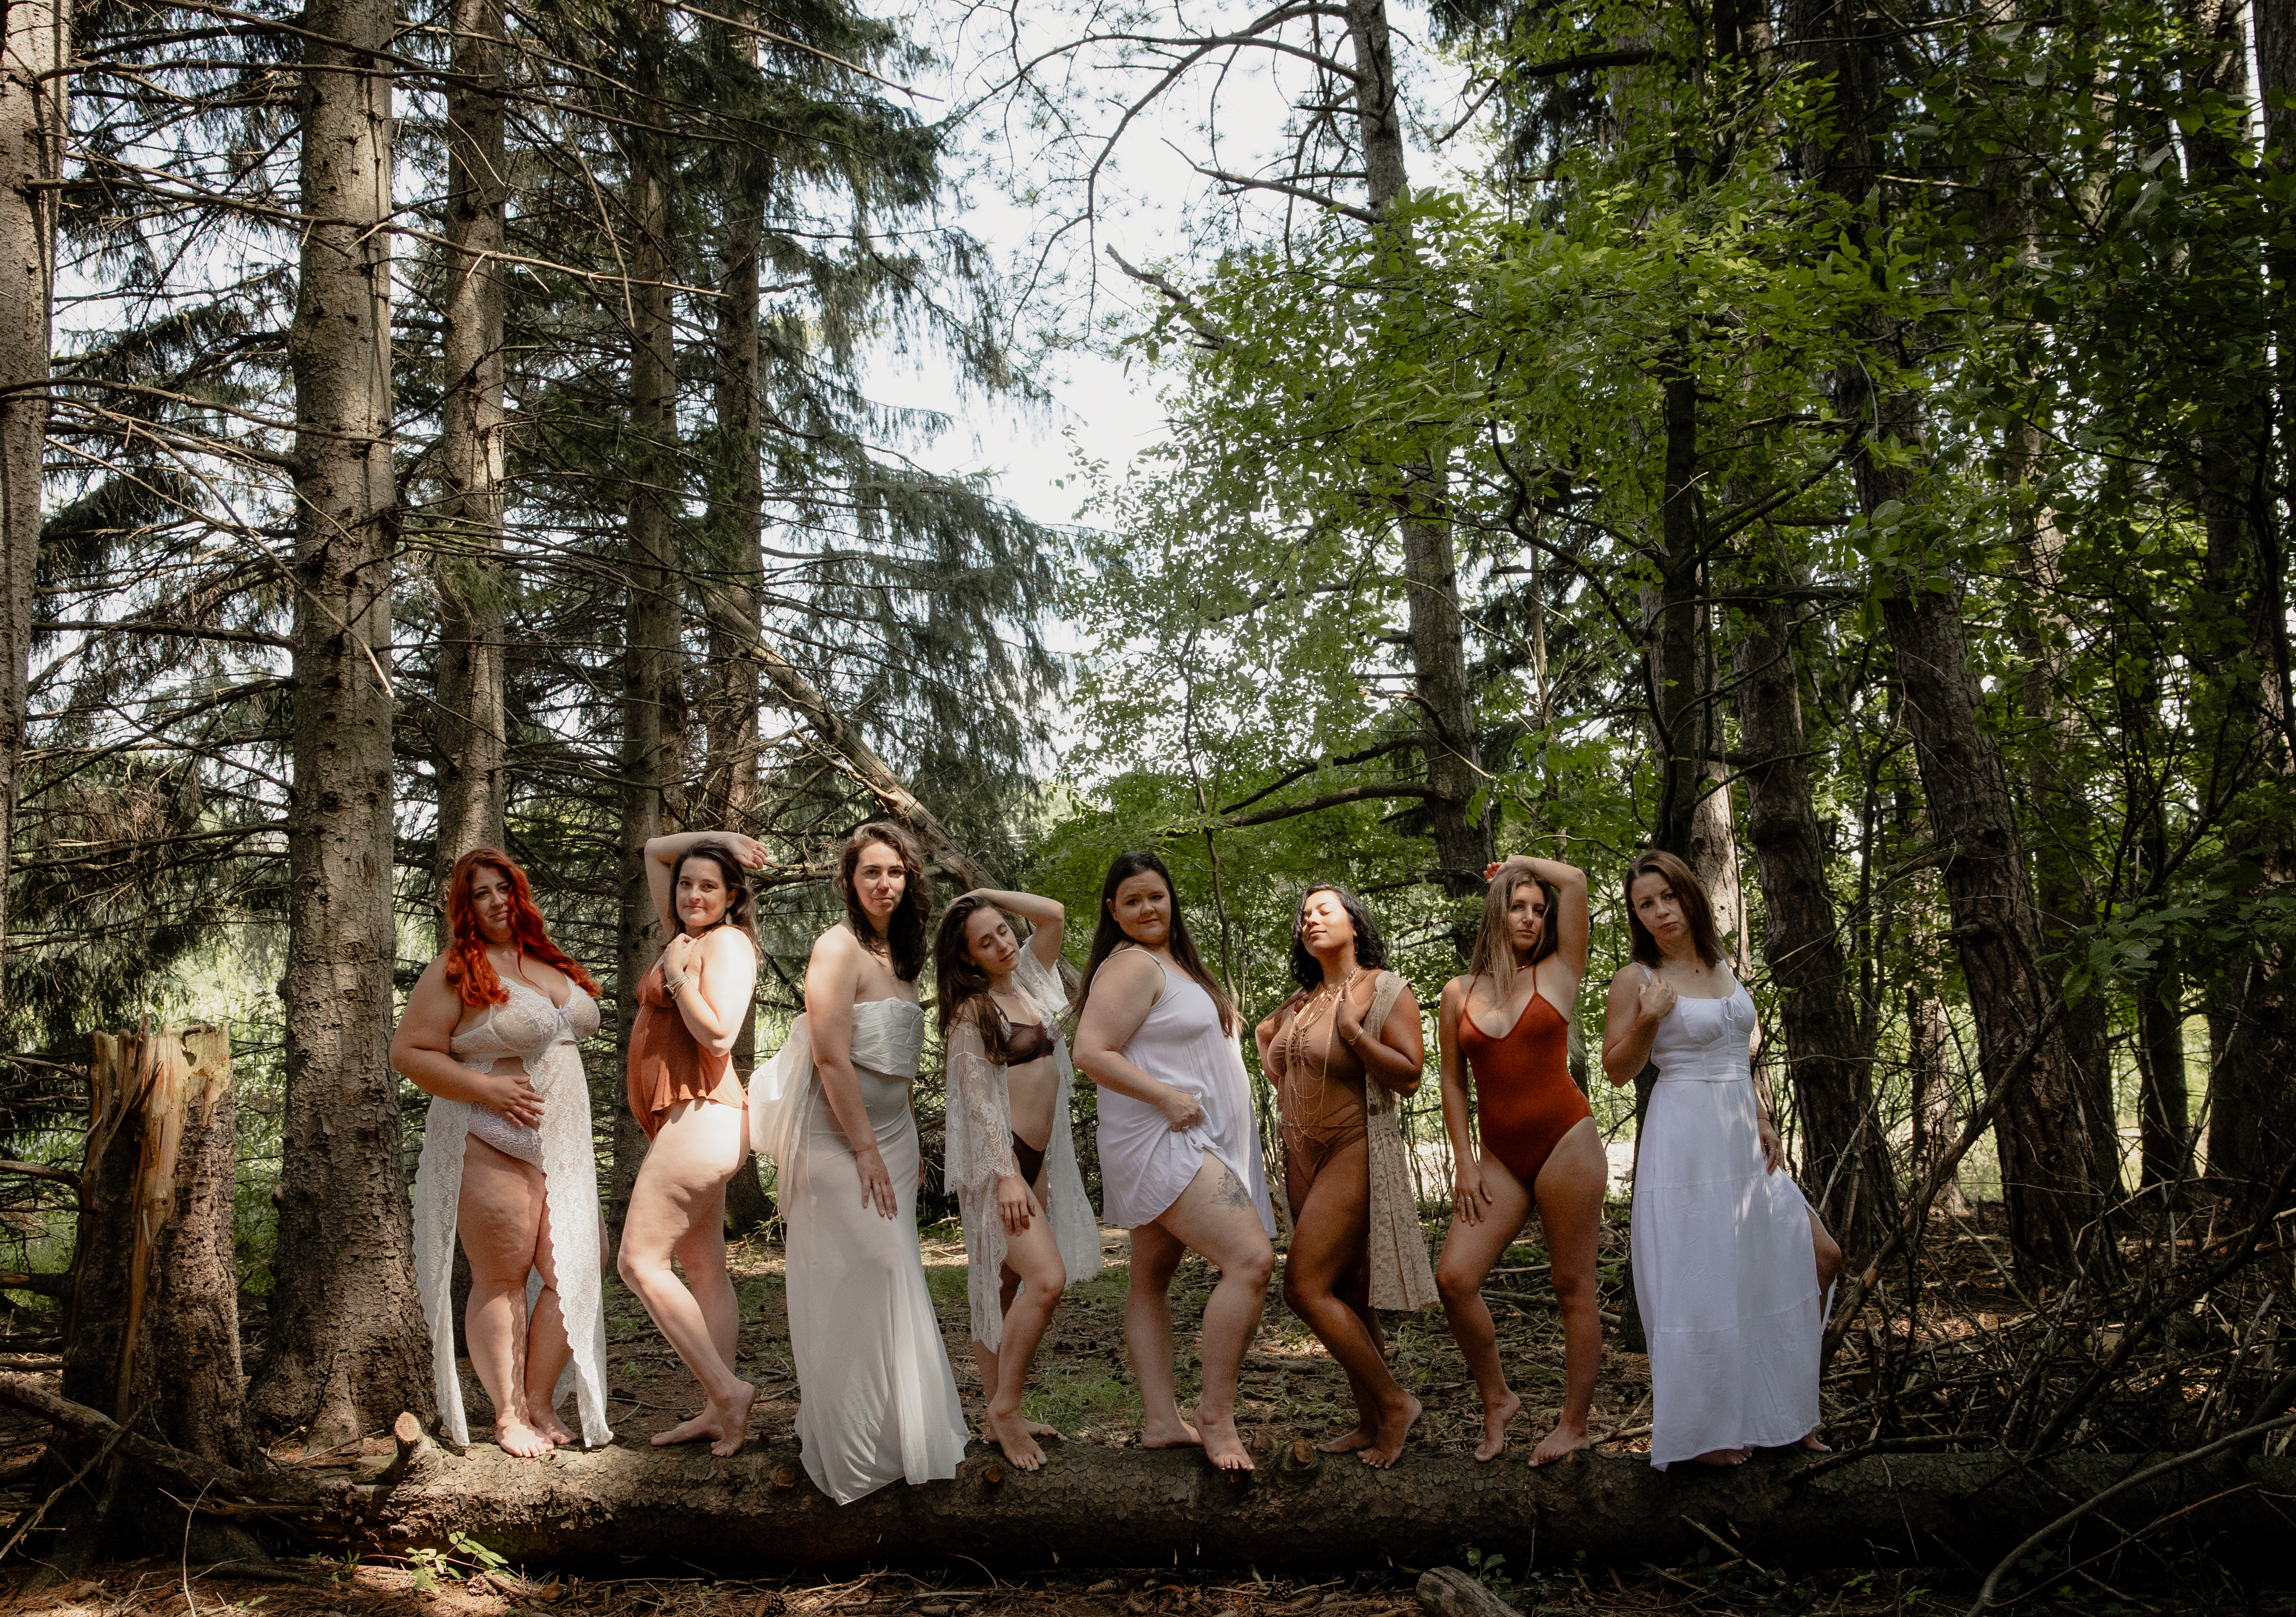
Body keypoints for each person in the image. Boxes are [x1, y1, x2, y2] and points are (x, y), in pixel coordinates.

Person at [1600, 848, 1842, 1469]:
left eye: (1667, 897)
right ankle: (1707, 1431)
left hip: (1742, 1137)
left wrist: (1762, 1117)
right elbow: (1617, 1071)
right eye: (1644, 904)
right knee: (1702, 1282)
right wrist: (1649, 1020)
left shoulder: (1724, 965)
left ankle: (1784, 1414)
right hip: (1685, 1140)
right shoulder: (1637, 979)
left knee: (1814, 1259)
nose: (1659, 912)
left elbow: (1741, 1052)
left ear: (1688, 895)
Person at [750, 823, 967, 1503]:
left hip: (893, 1139)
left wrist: (902, 1144)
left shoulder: (901, 959)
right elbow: (830, 1056)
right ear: (849, 880)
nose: (884, 883)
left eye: (896, 872)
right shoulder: (836, 947)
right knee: (863, 1268)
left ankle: (903, 1436)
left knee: (896, 1272)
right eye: (871, 872)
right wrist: (866, 1149)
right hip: (834, 1137)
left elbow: (898, 1066)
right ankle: (851, 1442)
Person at [395, 848, 612, 1456]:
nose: (497, 901)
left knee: (581, 1262)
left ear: (520, 894)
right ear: (464, 908)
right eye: (482, 893)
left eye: (504, 888)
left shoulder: (542, 959)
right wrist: (487, 1088)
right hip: (488, 1136)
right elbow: (410, 1052)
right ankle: (510, 1414)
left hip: (560, 1145)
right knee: (502, 1275)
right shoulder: (453, 970)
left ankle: (541, 1400)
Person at [1071, 850, 1275, 1473]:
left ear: (1171, 898)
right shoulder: (1131, 965)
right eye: (1131, 900)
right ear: (1114, 911)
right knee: (1250, 1259)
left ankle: (1161, 1418)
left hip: (1199, 1138)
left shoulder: (1176, 965)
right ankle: (1215, 1413)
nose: (1146, 908)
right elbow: (1088, 1050)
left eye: (1155, 896)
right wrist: (1163, 1096)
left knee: (1149, 1280)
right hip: (1165, 1139)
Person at [1433, 852, 1607, 1465]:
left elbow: (1578, 878)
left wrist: (1521, 863)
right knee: (1454, 1279)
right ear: (1497, 913)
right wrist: (1463, 1162)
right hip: (1498, 1159)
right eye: (1518, 906)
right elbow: (1453, 1084)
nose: (1530, 918)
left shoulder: (1561, 971)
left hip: (1567, 1141)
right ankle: (1497, 1398)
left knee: (1572, 1287)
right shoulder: (1457, 994)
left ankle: (1574, 1424)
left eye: (1539, 909)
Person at [1253, 885, 1429, 1467]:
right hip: (1302, 1159)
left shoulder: (1383, 989)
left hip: (1353, 1148)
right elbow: (1274, 1056)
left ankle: (1395, 1404)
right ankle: (1370, 1419)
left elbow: (1409, 1077)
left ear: (1354, 923)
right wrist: (1273, 1057)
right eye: (1304, 914)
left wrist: (1354, 1033)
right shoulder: (1303, 1000)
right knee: (1350, 1292)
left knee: (1304, 1288)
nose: (1311, 920)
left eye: (1324, 910)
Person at [934, 888, 1103, 1470]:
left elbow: (1054, 913)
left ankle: (998, 1406)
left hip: (1033, 1162)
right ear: (967, 960)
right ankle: (1005, 1408)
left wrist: (981, 896)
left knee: (1002, 1286)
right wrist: (1006, 1177)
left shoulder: (1028, 982)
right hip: (999, 1165)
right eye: (986, 941)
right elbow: (977, 1104)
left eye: (1003, 931)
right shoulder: (973, 1012)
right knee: (1046, 1279)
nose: (1003, 943)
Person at [617, 831, 767, 1458]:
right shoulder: (688, 936)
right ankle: (715, 1409)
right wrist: (719, 840)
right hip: (689, 1121)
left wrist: (676, 978)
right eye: (687, 884)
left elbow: (718, 1036)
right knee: (704, 1266)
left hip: (703, 1115)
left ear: (732, 896)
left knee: (637, 1262)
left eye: (709, 884)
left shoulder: (726, 944)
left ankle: (727, 1391)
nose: (693, 893)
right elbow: (654, 848)